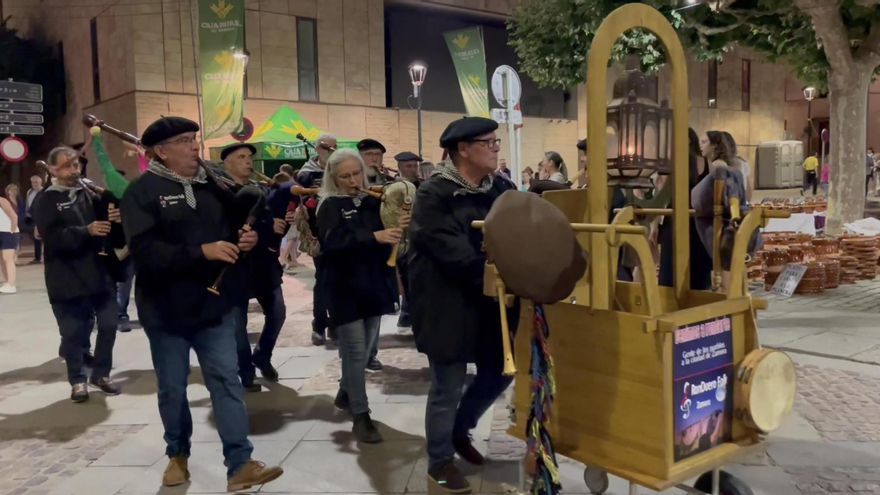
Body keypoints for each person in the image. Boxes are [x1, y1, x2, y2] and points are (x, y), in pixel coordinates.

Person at [121, 117, 282, 491]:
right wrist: (202, 251)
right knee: (173, 388)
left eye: (194, 139)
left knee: (226, 382)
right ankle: (177, 455)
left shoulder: (212, 186)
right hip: (166, 310)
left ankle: (240, 464)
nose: (195, 146)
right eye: (183, 141)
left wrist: (245, 241)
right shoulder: (141, 192)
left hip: (216, 307)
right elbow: (145, 253)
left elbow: (234, 228)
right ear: (160, 151)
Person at [409, 117, 517, 493]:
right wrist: (492, 268)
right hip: (446, 304)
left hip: (491, 301)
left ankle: (459, 428)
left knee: (501, 372)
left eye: (495, 141)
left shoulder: (502, 188)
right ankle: (439, 462)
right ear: (462, 150)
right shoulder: (434, 193)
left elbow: (519, 229)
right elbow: (445, 247)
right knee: (447, 385)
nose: (495, 147)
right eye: (487, 142)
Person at [316, 148, 400, 443]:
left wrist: (397, 227)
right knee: (354, 350)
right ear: (334, 178)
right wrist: (373, 237)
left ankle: (345, 390)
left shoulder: (372, 201)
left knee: (364, 352)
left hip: (374, 283)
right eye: (345, 176)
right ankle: (361, 414)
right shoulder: (328, 205)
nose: (353, 180)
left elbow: (387, 231)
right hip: (344, 287)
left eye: (356, 173)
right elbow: (332, 243)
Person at [34, 146, 124, 401]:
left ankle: (101, 373)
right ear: (52, 169)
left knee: (109, 324)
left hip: (99, 273)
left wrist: (115, 220)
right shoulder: (46, 199)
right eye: (67, 166)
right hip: (66, 277)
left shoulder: (88, 194)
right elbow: (51, 238)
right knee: (73, 332)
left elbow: (108, 231)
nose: (75, 170)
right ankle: (77, 380)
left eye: (76, 165)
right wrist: (86, 231)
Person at [221, 142, 288, 391]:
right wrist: (264, 229)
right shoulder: (221, 193)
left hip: (264, 265)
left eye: (249, 157)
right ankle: (245, 372)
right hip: (235, 267)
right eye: (241, 157)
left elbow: (268, 224)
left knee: (278, 313)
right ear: (227, 163)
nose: (248, 161)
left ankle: (262, 355)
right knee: (238, 323)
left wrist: (278, 226)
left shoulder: (259, 188)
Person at [692, 130, 750, 293]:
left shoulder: (718, 167)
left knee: (725, 265)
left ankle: (726, 298)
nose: (701, 146)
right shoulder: (729, 165)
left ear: (715, 146)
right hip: (726, 219)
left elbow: (719, 197)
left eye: (704, 142)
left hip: (722, 222)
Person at [658, 128, 711, 290]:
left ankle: (673, 308)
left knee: (671, 271)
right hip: (700, 221)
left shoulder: (670, 163)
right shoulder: (706, 162)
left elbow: (661, 195)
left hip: (674, 220)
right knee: (698, 271)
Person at [297, 134, 336, 346]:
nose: (330, 150)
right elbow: (302, 202)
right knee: (322, 280)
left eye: (334, 146)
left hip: (339, 232)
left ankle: (336, 323)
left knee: (339, 279)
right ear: (318, 149)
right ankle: (319, 325)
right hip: (318, 234)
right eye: (326, 146)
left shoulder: (338, 170)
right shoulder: (307, 173)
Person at [391, 151, 422, 336]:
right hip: (401, 241)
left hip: (418, 241)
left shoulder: (422, 186)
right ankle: (407, 316)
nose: (413, 169)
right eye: (409, 166)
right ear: (400, 167)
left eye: (415, 166)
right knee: (406, 281)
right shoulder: (394, 188)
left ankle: (411, 317)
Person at [0, 191, 18, 294]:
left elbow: (14, 216)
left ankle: (11, 284)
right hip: (1, 232)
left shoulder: (2, 201)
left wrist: (12, 229)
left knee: (8, 258)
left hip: (8, 232)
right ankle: (7, 282)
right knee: (2, 259)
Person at [25, 175, 44, 263]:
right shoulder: (29, 191)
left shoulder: (44, 192)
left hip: (41, 217)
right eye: (33, 182)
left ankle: (40, 258)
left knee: (40, 237)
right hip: (31, 217)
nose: (34, 184)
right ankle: (37, 257)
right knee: (35, 237)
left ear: (40, 182)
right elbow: (28, 203)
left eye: (36, 182)